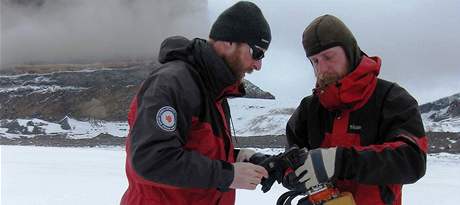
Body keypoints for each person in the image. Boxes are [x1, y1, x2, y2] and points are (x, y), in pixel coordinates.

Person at [120, 1, 272, 205]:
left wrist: (240, 158)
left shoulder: (214, 90)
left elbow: (197, 152)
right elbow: (151, 159)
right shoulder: (172, 83)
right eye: (257, 52)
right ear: (228, 42)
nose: (259, 65)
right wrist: (227, 174)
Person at [282, 14, 428, 205]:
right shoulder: (309, 109)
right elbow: (292, 155)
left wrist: (338, 161)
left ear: (350, 52)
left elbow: (412, 160)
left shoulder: (391, 98)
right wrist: (292, 175)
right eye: (315, 61)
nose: (322, 68)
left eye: (328, 57)